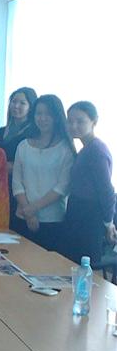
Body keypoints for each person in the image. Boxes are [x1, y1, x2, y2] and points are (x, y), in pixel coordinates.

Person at [12, 95, 75, 251]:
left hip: (52, 220)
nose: (42, 118)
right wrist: (27, 210)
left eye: (48, 114)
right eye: (38, 113)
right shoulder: (23, 146)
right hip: (22, 216)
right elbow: (17, 182)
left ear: (57, 117)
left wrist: (33, 208)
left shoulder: (66, 149)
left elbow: (62, 187)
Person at [63, 101, 116, 263]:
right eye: (70, 121)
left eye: (80, 121)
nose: (74, 126)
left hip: (89, 214)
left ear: (94, 121)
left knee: (85, 264)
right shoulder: (86, 148)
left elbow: (106, 190)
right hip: (77, 210)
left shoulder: (96, 151)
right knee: (71, 261)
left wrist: (109, 223)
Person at [0, 87, 37, 232]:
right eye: (14, 101)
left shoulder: (33, 134)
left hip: (21, 189)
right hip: (0, 186)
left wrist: (11, 166)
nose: (16, 106)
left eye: (22, 103)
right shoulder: (1, 131)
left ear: (31, 107)